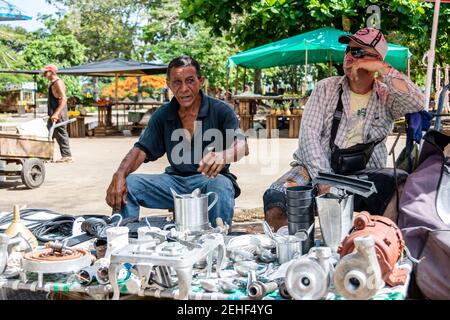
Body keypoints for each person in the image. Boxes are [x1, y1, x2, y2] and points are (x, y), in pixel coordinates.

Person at [263, 27, 425, 231]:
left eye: (357, 52)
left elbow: (418, 103)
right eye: (348, 50)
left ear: (375, 58)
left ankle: (377, 245)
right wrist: (325, 180)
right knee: (276, 200)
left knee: (400, 188)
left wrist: (384, 69)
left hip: (363, 172)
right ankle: (296, 258)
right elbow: (308, 138)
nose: (349, 56)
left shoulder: (386, 96)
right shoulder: (325, 87)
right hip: (315, 168)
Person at [106, 56, 249, 226]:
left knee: (221, 185)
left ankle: (218, 243)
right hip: (174, 183)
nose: (183, 89)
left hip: (210, 180)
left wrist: (224, 155)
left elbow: (242, 146)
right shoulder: (163, 114)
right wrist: (119, 174)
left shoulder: (221, 110)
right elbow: (140, 150)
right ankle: (122, 237)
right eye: (177, 82)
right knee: (128, 184)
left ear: (200, 81)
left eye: (190, 81)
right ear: (169, 84)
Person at [41, 64, 73, 163]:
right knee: (49, 133)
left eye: (46, 72)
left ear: (52, 72)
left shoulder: (58, 83)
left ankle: (67, 156)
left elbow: (64, 99)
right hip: (54, 113)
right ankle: (47, 156)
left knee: (61, 134)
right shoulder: (52, 83)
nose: (44, 74)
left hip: (59, 114)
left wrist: (56, 113)